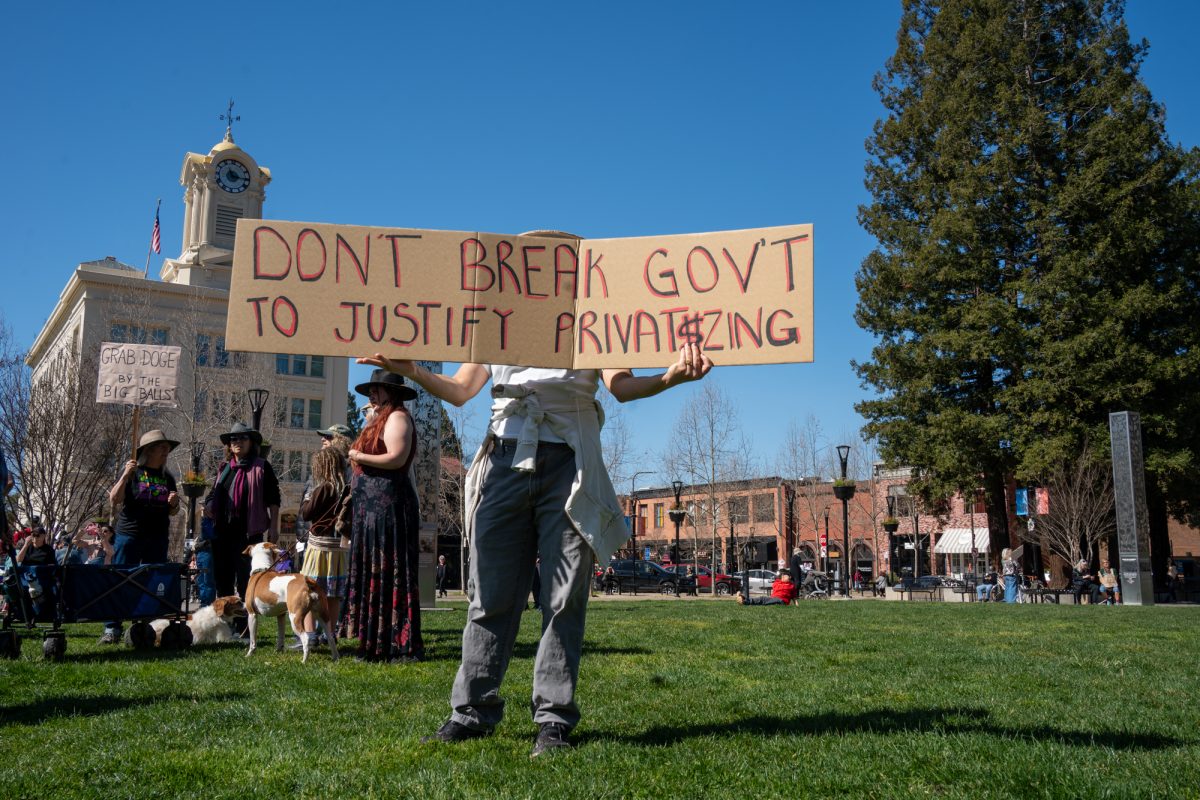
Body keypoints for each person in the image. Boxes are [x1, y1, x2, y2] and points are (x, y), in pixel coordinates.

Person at [359, 335, 712, 756]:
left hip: (570, 458)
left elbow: (621, 386)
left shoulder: (597, 314)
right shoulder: (503, 313)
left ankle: (553, 719)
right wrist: (411, 369)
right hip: (504, 460)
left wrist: (670, 378)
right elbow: (461, 389)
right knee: (488, 594)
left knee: (563, 599)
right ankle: (471, 710)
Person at [345, 369, 423, 663]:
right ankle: (373, 644)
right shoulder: (378, 420)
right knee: (373, 571)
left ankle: (397, 646)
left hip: (389, 507)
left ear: (393, 392)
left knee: (390, 571)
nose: (371, 395)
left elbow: (396, 457)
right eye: (370, 390)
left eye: (377, 389)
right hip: (370, 510)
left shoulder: (398, 417)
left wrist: (359, 456)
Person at [100, 430, 181, 644]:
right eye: (162, 448)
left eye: (167, 449)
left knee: (154, 581)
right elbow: (114, 500)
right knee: (120, 578)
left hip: (157, 536)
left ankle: (147, 624)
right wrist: (125, 475)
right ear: (149, 450)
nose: (166, 452)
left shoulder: (167, 478)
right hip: (130, 535)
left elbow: (172, 511)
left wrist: (174, 504)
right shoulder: (134, 472)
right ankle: (112, 627)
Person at [204, 423, 281, 610]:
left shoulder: (261, 467)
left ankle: (245, 623)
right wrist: (207, 505)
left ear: (251, 442)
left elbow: (274, 499)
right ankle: (225, 621)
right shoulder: (224, 468)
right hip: (222, 532)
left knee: (245, 579)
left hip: (248, 534)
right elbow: (213, 494)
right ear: (229, 446)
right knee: (223, 578)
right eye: (233, 439)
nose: (237, 442)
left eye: (242, 438)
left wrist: (274, 528)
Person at [297, 447, 352, 649]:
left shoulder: (323, 488)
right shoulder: (345, 488)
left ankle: (310, 634)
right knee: (333, 593)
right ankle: (330, 634)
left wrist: (307, 498)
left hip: (319, 548)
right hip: (338, 547)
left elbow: (306, 513)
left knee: (311, 591)